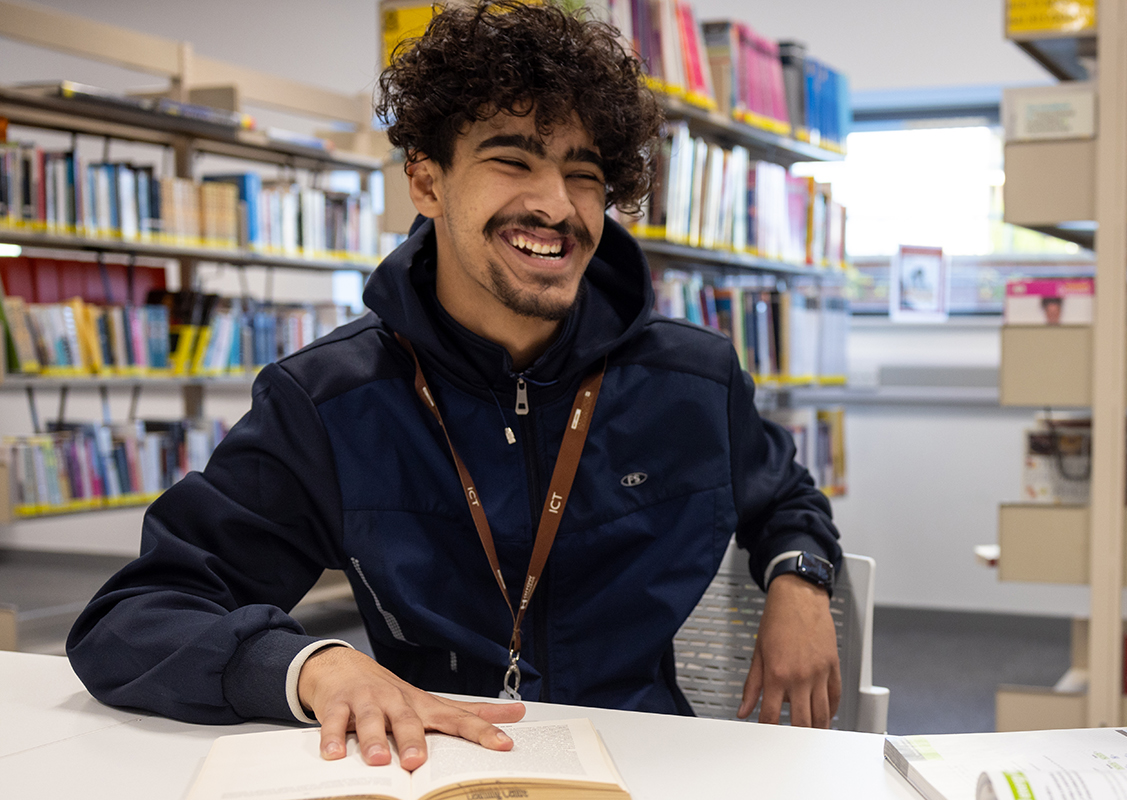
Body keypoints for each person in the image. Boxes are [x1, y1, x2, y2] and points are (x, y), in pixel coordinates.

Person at [67, 0, 844, 773]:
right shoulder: (331, 400)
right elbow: (132, 620)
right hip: (430, 767)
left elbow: (786, 498)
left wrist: (800, 580)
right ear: (427, 183)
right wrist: (313, 666)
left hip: (647, 769)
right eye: (512, 160)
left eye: (584, 173)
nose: (556, 205)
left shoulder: (693, 380)